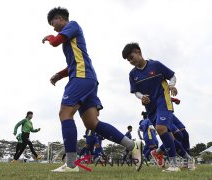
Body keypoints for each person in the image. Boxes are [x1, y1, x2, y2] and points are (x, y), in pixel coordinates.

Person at [42, 7, 143, 172]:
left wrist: (49, 37)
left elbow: (54, 42)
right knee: (91, 122)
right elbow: (74, 63)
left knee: (65, 113)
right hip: (87, 79)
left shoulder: (72, 25)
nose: (53, 29)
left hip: (81, 78)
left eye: (53, 24)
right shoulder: (70, 37)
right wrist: (59, 75)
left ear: (59, 18)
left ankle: (71, 164)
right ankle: (132, 145)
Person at [122, 42, 195, 172]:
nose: (130, 61)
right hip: (150, 108)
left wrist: (171, 85)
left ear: (138, 52)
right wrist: (141, 97)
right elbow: (136, 91)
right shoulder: (132, 74)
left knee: (161, 128)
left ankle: (174, 165)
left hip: (164, 101)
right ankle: (188, 159)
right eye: (128, 60)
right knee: (168, 136)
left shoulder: (155, 65)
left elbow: (172, 76)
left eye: (131, 57)